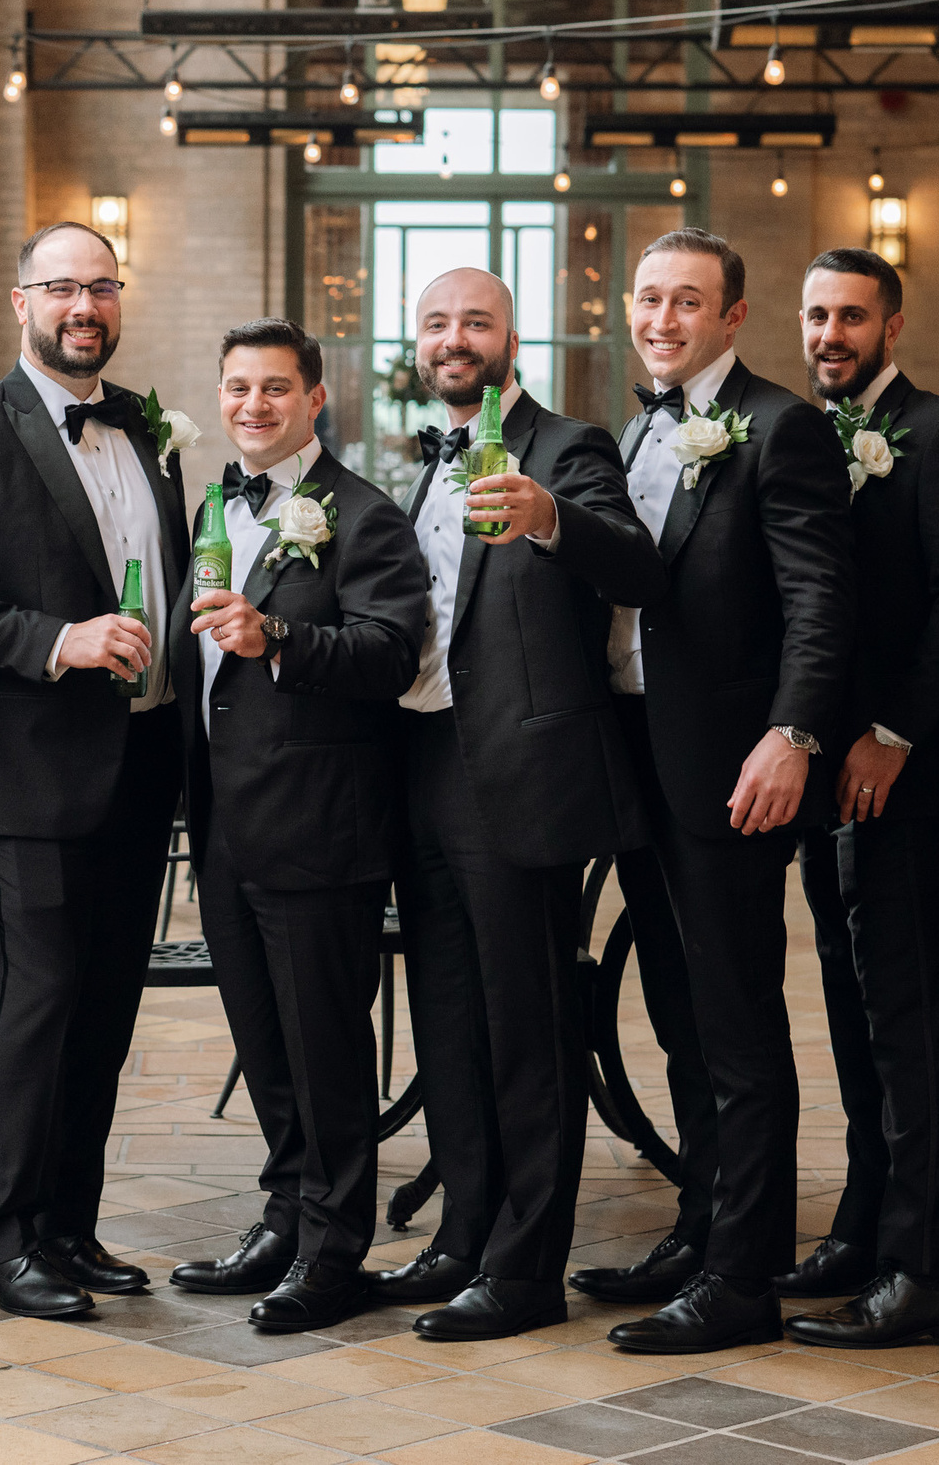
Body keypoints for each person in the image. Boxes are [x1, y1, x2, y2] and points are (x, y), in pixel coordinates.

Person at [0, 222, 194, 1319]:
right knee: (37, 999)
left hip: (141, 754)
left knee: (106, 1001)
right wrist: (61, 640)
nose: (84, 306)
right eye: (62, 287)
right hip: (24, 763)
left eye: (101, 287)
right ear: (22, 300)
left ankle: (68, 1225)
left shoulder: (147, 431)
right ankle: (1, 1240)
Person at [369, 266, 660, 1342]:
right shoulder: (418, 465)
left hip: (518, 771)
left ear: (512, 340)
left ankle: (528, 1268)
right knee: (448, 1016)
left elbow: (636, 565)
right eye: (436, 323)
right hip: (420, 759)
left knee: (528, 1023)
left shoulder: (570, 447)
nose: (454, 339)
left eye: (475, 322)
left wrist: (549, 519)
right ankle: (464, 1236)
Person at [579, 229, 855, 1356]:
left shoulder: (780, 426)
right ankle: (701, 1226)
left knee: (737, 1022)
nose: (662, 319)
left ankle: (743, 1276)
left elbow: (821, 600)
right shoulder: (637, 428)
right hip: (637, 755)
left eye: (686, 301)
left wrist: (792, 734)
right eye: (649, 299)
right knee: (677, 1015)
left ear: (732, 315)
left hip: (732, 765)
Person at [169, 318, 429, 1333]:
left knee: (325, 1051)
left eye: (275, 388)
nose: (253, 405)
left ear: (315, 399)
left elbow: (390, 652)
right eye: (238, 387)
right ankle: (284, 1218)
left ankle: (333, 1250)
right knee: (265, 1044)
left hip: (320, 826)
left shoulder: (363, 515)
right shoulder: (213, 505)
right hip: (226, 820)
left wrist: (277, 632)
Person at [778, 249, 939, 1349]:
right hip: (827, 773)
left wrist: (894, 734)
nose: (831, 334)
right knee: (852, 1006)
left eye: (852, 316)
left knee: (910, 1022)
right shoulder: (799, 434)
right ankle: (867, 1224)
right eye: (817, 315)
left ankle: (928, 1272)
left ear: (891, 325)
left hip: (906, 775)